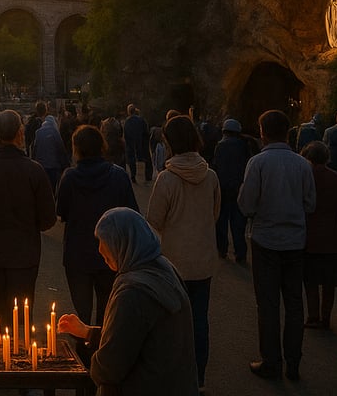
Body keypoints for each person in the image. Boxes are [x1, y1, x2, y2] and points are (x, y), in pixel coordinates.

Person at [57, 207, 199, 396]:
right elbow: (133, 335)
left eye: (107, 250)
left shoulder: (133, 292)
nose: (102, 255)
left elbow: (111, 366)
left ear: (124, 244)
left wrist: (95, 369)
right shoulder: (163, 267)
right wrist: (87, 332)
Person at [238, 109, 316, 381]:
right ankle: (293, 362)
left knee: (268, 304)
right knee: (295, 304)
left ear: (262, 133)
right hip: (295, 242)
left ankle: (271, 361)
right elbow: (310, 204)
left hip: (265, 241)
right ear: (287, 132)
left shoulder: (257, 163)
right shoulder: (303, 164)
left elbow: (246, 205)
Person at [145, 114, 220, 389]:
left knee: (171, 322)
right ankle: (198, 377)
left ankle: (174, 376)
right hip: (203, 259)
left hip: (173, 260)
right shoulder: (210, 175)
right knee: (200, 319)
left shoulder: (166, 178)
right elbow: (215, 212)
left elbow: (154, 220)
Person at [0, 109, 57, 329]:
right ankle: (22, 356)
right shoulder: (35, 171)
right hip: (24, 254)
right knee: (22, 313)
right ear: (20, 133)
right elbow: (48, 219)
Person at [55, 124, 139, 325]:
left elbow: (61, 212)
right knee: (108, 309)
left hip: (78, 253)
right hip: (111, 253)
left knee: (82, 311)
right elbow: (132, 212)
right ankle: (103, 347)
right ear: (102, 146)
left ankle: (84, 348)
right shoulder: (118, 176)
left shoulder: (70, 178)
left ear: (76, 149)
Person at [300, 141, 337, 331]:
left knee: (310, 280)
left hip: (309, 235)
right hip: (332, 237)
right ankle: (326, 317)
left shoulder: (305, 177)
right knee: (329, 282)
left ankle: (313, 316)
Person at [212, 117, 251, 265]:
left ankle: (222, 249)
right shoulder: (243, 146)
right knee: (238, 223)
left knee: (221, 220)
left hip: (222, 188)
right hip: (238, 188)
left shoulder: (220, 146)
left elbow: (216, 166)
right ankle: (240, 253)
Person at [32, 108, 69, 192]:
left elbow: (35, 149)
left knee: (42, 188)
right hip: (53, 166)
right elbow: (61, 149)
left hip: (41, 166)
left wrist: (32, 162)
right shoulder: (55, 132)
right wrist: (66, 165)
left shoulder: (38, 132)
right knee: (52, 188)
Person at [123, 104, 152, 183]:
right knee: (147, 159)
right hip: (141, 143)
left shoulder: (127, 121)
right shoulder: (141, 120)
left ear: (128, 112)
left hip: (130, 143)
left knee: (132, 160)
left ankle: (133, 176)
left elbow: (125, 134)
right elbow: (146, 132)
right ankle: (148, 176)